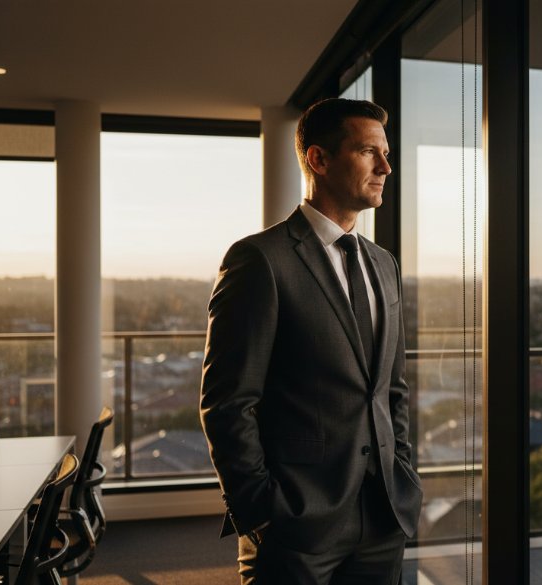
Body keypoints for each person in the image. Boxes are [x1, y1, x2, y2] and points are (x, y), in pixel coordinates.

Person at [200, 98, 422, 585]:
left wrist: (403, 471)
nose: (387, 166)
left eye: (386, 153)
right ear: (318, 160)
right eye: (369, 152)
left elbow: (392, 390)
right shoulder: (259, 260)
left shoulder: (383, 264)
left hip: (383, 516)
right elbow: (228, 403)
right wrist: (259, 511)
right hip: (295, 526)